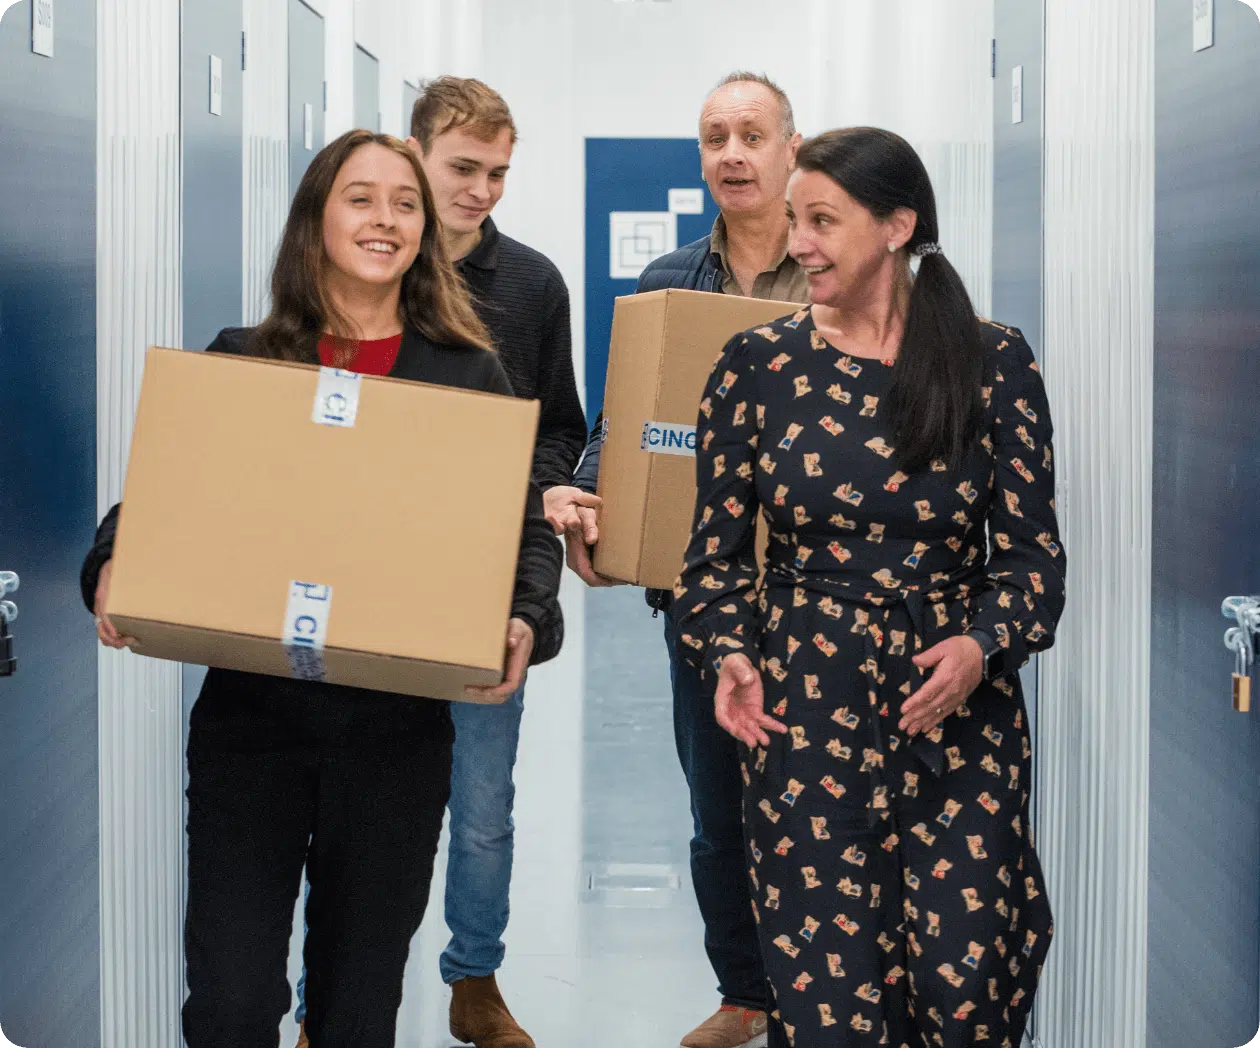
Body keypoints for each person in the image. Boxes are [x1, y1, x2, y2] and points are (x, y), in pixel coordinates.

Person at [81, 129, 564, 1048]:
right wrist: (111, 560)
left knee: (354, 1009)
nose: (386, 219)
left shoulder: (467, 375)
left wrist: (525, 616)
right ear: (317, 218)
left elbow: (521, 527)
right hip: (251, 729)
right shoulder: (246, 361)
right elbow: (158, 496)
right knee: (229, 1003)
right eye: (361, 198)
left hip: (394, 739)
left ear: (423, 231)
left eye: (405, 203)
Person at [672, 126, 1065, 1046]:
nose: (799, 243)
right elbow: (712, 566)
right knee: (831, 1002)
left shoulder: (992, 360)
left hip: (958, 723)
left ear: (897, 226)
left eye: (822, 221)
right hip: (806, 712)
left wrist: (981, 648)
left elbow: (1032, 563)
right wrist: (729, 652)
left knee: (968, 989)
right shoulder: (756, 367)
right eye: (794, 220)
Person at [289, 78, 589, 1048]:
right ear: (412, 155)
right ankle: (321, 999)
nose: (482, 191)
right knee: (342, 799)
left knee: (484, 800)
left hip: (482, 577)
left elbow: (561, 426)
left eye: (499, 174)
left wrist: (533, 493)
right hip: (360, 573)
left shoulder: (533, 285)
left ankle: (475, 978)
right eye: (464, 168)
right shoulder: (349, 271)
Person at [568, 72, 808, 1048]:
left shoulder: (836, 265)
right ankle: (746, 992)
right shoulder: (671, 280)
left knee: (822, 804)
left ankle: (824, 995)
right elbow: (624, 420)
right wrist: (597, 507)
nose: (732, 155)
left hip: (826, 594)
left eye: (752, 134)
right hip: (704, 597)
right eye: (715, 137)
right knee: (719, 805)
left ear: (793, 148)